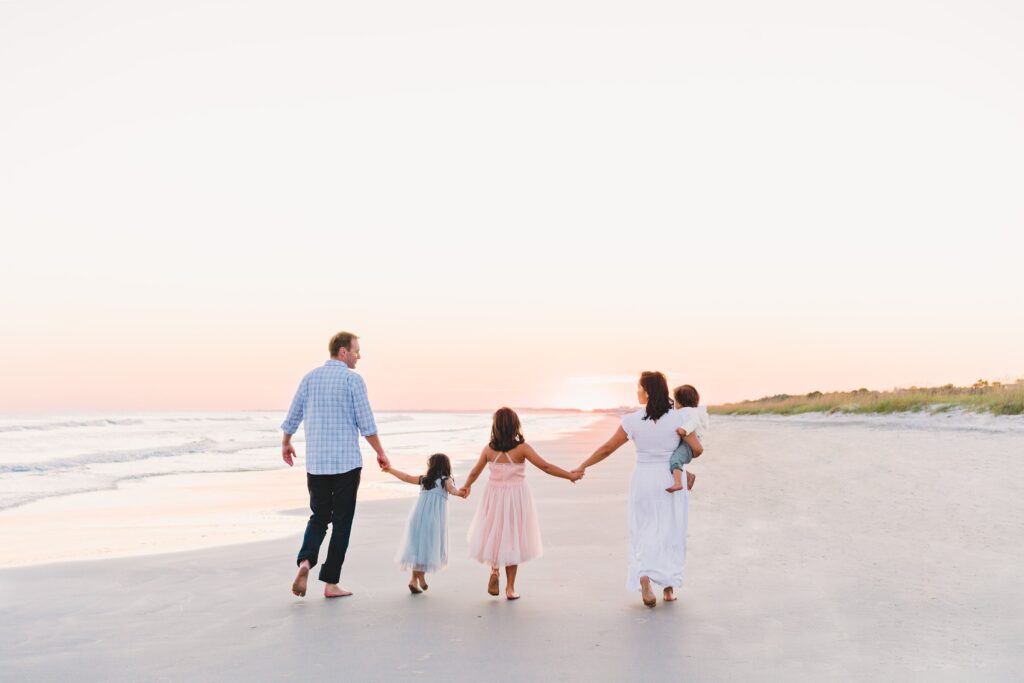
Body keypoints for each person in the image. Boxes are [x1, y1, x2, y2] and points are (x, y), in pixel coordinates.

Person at [573, 371, 703, 607]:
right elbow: (696, 448)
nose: (637, 392)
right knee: (670, 529)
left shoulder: (632, 420)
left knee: (643, 528)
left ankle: (644, 577)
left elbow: (607, 449)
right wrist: (681, 460)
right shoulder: (679, 419)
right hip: (670, 477)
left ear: (647, 391)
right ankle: (668, 588)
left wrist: (584, 465)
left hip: (643, 478)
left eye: (639, 388)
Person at [281, 331, 390, 599]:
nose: (359, 355)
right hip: (346, 465)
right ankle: (330, 583)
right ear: (343, 352)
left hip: (317, 464)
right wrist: (380, 452)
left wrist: (286, 442)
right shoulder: (352, 380)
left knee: (319, 517)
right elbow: (366, 423)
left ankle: (305, 562)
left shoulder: (309, 379)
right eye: (356, 351)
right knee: (342, 522)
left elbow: (293, 415)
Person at [460, 407, 583, 600]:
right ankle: (510, 588)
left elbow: (475, 472)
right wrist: (569, 475)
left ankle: (494, 570)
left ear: (496, 427)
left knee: (495, 531)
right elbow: (545, 466)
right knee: (512, 537)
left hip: (493, 495)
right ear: (515, 425)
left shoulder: (489, 450)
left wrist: (466, 486)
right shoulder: (522, 449)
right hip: (515, 496)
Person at [383, 453, 467, 594]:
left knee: (417, 546)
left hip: (417, 517)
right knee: (427, 546)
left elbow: (406, 477)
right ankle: (421, 576)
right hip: (433, 519)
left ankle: (413, 581)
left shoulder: (424, 480)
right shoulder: (445, 480)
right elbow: (452, 490)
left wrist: (390, 470)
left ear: (431, 466)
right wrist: (459, 493)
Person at [666, 384, 709, 493]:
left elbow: (694, 422)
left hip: (689, 445)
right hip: (686, 442)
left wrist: (684, 430)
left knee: (675, 460)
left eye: (675, 400)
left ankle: (678, 483)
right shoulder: (687, 411)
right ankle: (688, 476)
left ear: (680, 401)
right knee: (672, 459)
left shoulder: (690, 412)